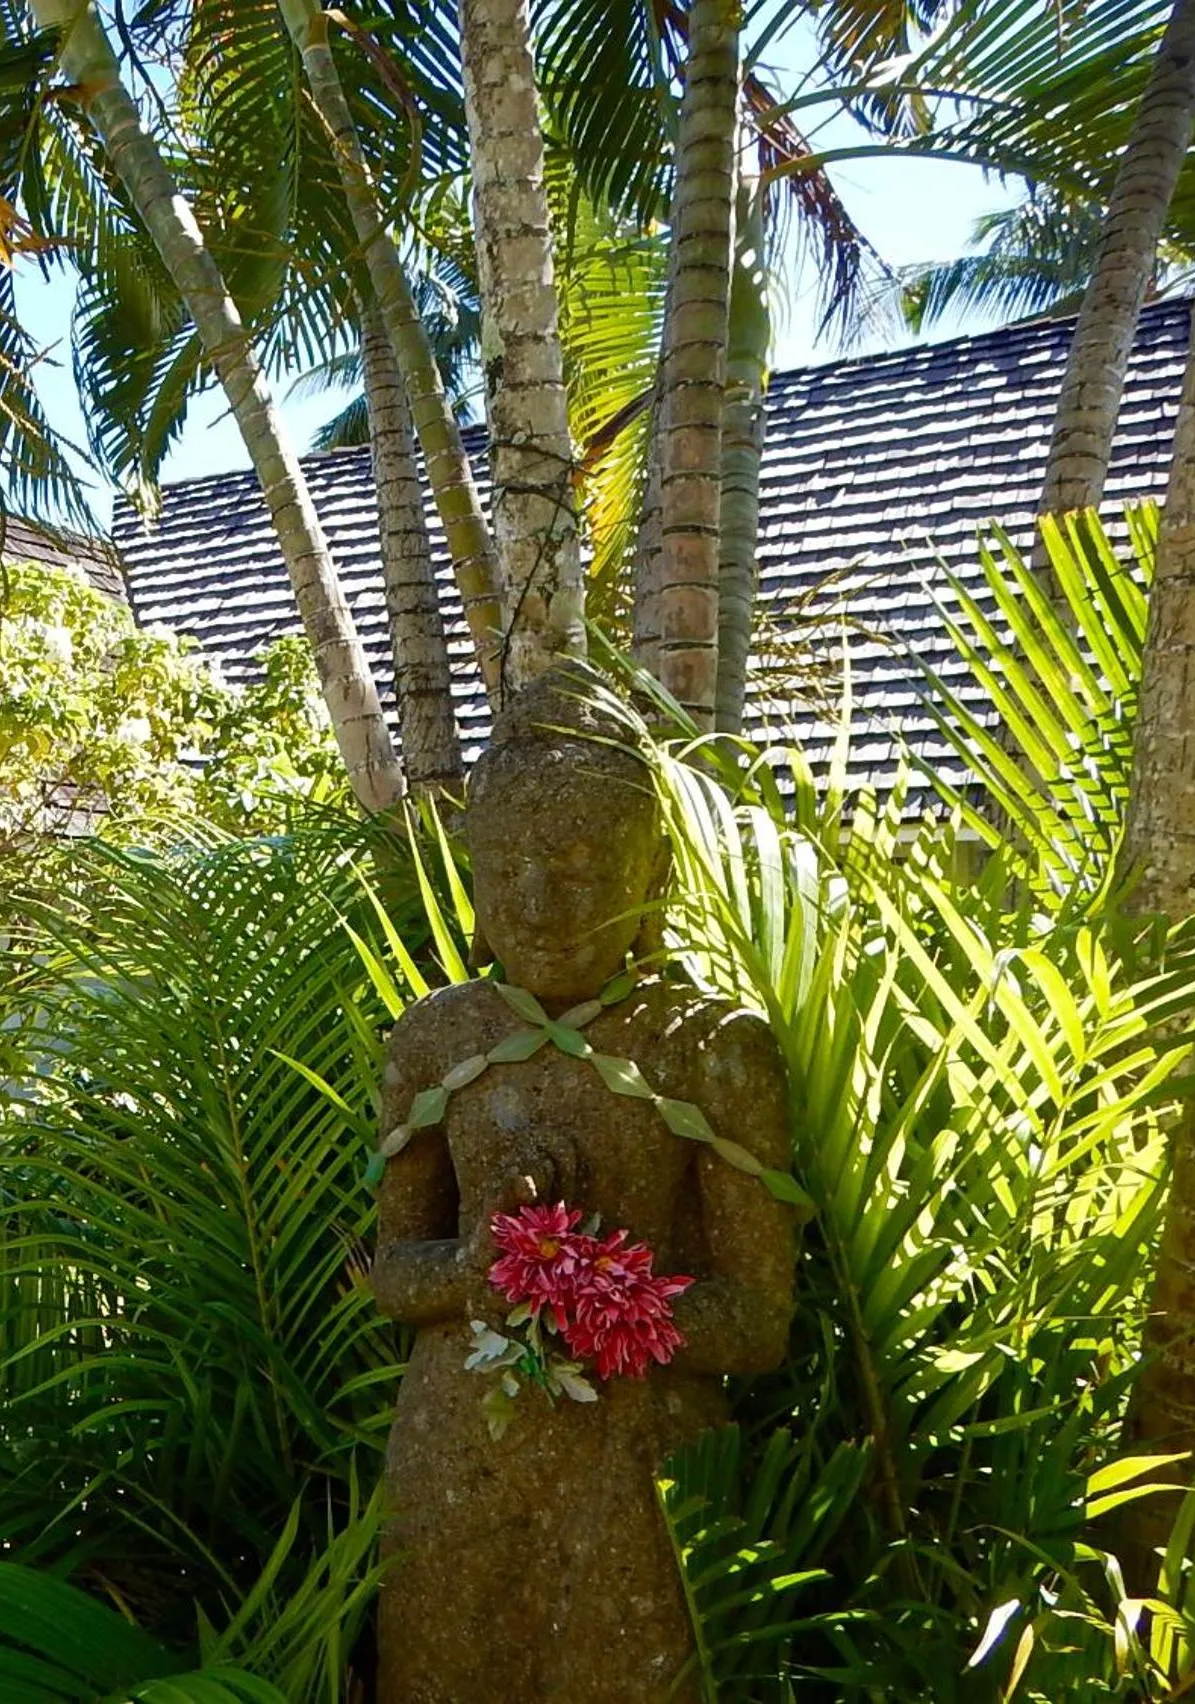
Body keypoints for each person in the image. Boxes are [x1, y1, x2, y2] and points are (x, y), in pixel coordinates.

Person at [372, 661, 796, 1704]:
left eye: (577, 863)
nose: (538, 900)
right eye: (508, 862)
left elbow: (756, 1322)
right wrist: (481, 1272)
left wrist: (608, 1297)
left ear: (647, 876)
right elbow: (389, 1269)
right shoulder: (436, 1039)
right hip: (458, 1451)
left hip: (636, 1463)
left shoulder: (709, 1048)